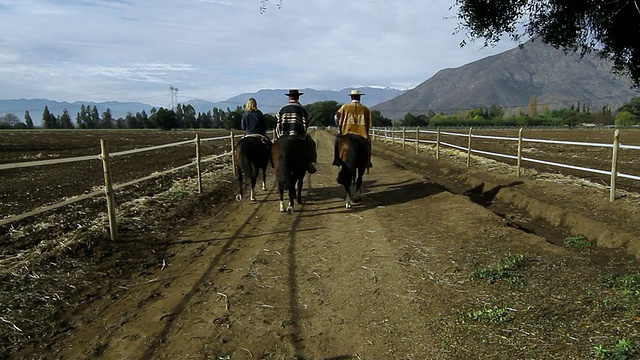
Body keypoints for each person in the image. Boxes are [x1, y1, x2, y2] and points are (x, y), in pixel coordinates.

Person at [275, 89, 318, 174]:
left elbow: (278, 121)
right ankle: (309, 163)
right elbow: (307, 120)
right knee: (312, 144)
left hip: (283, 135)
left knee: (273, 145)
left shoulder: (282, 109)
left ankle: (273, 162)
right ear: (298, 97)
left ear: (289, 97)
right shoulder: (302, 109)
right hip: (298, 135)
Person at [333, 89, 373, 167]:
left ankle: (337, 159)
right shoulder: (365, 109)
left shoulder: (344, 107)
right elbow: (369, 122)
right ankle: (367, 162)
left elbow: (336, 117)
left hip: (346, 132)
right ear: (360, 97)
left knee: (337, 142)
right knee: (368, 144)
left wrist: (339, 127)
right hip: (362, 134)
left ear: (351, 97)